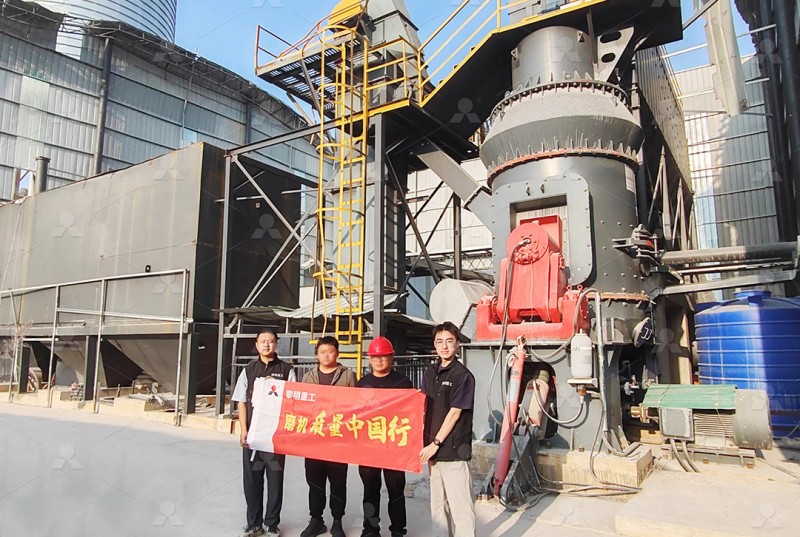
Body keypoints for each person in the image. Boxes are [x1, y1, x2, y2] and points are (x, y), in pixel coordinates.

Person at [232, 328, 296, 537]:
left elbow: (292, 403)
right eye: (263, 341)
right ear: (257, 344)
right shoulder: (249, 370)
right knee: (252, 480)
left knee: (275, 480)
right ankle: (253, 524)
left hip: (275, 438)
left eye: (270, 341)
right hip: (253, 437)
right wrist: (243, 430)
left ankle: (271, 524)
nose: (267, 345)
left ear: (276, 344)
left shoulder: (286, 370)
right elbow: (241, 402)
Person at [419, 322, 476, 537]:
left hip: (453, 450)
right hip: (432, 450)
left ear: (457, 344)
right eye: (439, 342)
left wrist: (435, 444)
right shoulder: (430, 372)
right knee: (438, 507)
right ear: (434, 345)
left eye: (449, 341)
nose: (444, 346)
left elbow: (455, 412)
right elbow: (422, 405)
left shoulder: (463, 376)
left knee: (461, 506)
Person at [300, 336, 357, 537]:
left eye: (330, 351)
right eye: (322, 351)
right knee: (314, 483)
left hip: (338, 440)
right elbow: (300, 409)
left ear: (337, 353)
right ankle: (316, 520)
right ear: (317, 354)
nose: (326, 355)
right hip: (314, 441)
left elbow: (356, 406)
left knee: (338, 482)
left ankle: (338, 521)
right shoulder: (308, 377)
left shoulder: (348, 376)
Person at [357, 336, 413, 537]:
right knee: (370, 491)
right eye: (375, 357)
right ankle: (370, 529)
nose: (379, 360)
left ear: (391, 358)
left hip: (394, 447)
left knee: (396, 491)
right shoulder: (362, 384)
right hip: (369, 448)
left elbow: (410, 414)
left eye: (383, 356)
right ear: (369, 359)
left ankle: (398, 530)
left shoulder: (403, 382)